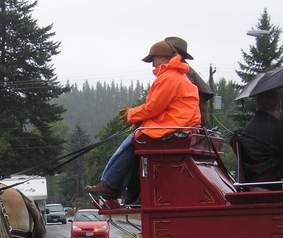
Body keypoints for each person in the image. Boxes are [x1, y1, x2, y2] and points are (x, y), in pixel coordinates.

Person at [86, 40, 201, 199]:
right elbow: (161, 107)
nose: (152, 65)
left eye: (153, 59)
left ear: (162, 58)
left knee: (132, 141)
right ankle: (129, 190)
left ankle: (110, 184)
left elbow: (153, 107)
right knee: (137, 139)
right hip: (180, 123)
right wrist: (139, 119)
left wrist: (130, 115)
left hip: (174, 125)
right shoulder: (179, 76)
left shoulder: (169, 77)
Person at [239, 88, 283, 187]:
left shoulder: (246, 131)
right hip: (277, 186)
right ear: (278, 104)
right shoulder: (281, 130)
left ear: (258, 104)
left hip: (251, 186)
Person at [164, 36, 215, 127]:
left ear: (175, 54)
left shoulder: (183, 72)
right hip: (193, 120)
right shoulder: (182, 69)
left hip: (191, 123)